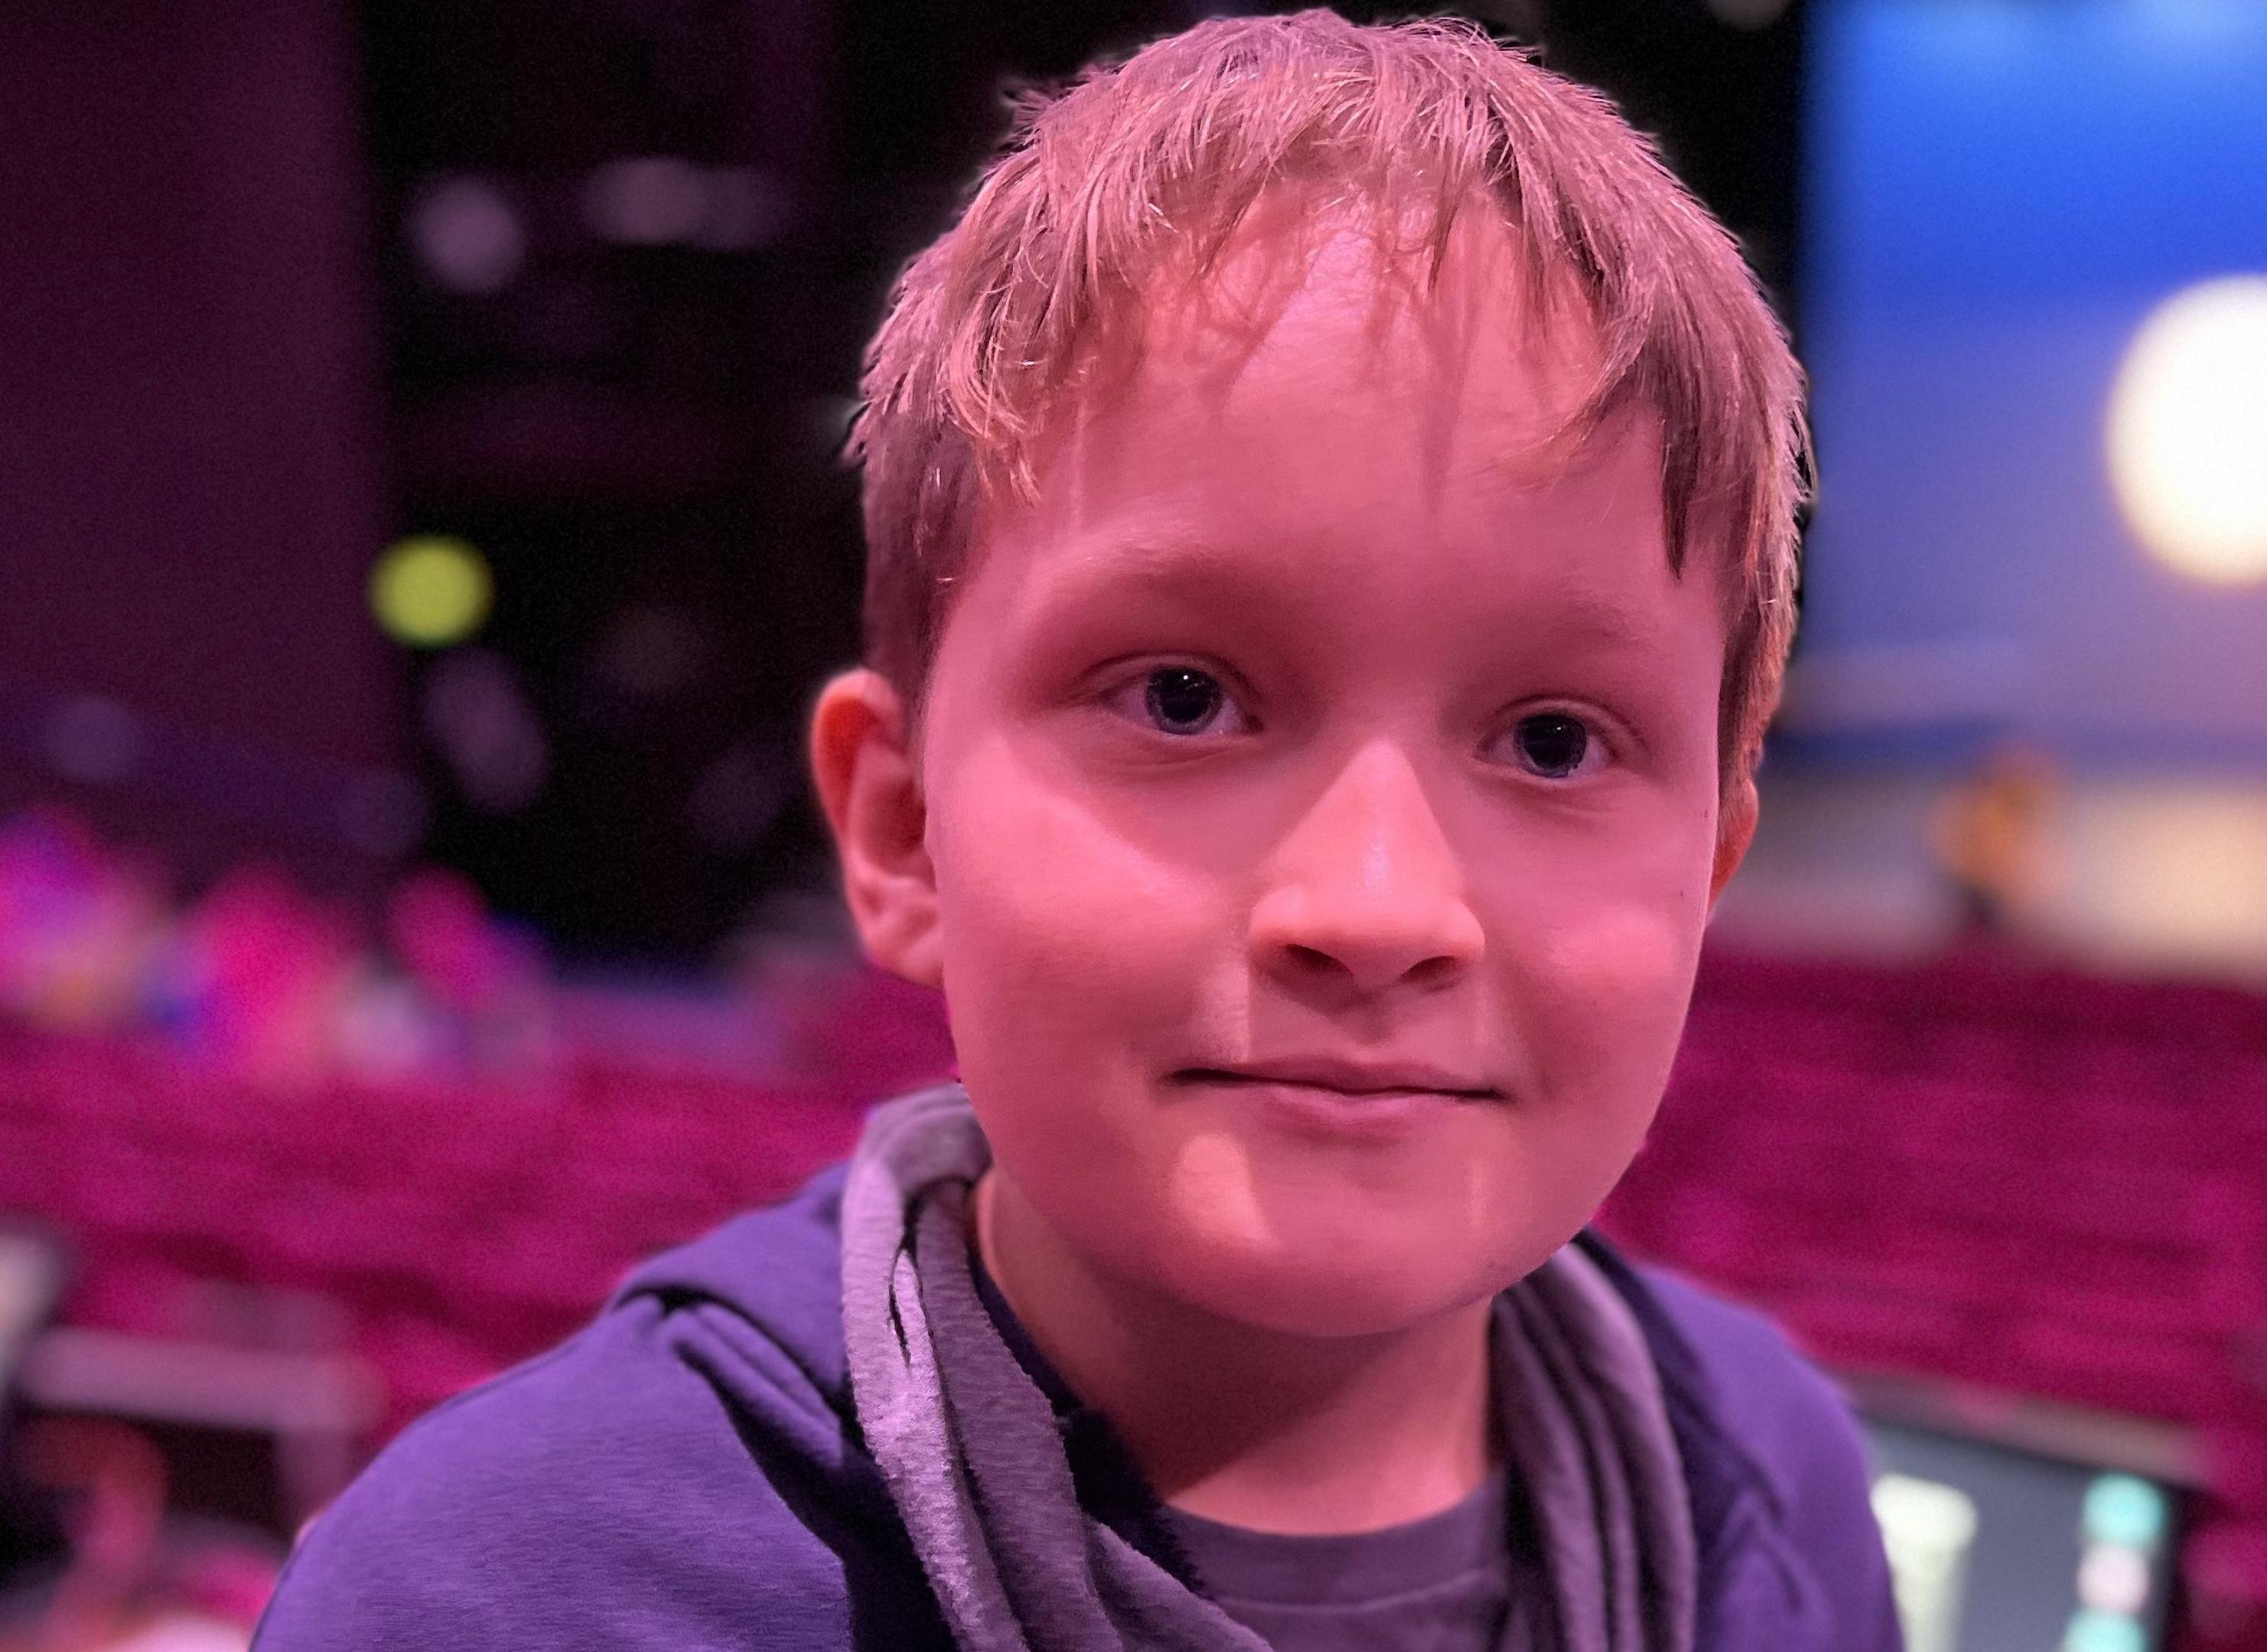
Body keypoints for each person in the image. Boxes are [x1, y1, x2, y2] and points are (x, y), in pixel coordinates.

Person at [254, 13, 1898, 1649]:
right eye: (1182, 697)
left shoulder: (1777, 1484)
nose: (1380, 905)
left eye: (1553, 740)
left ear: (1707, 876)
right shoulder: (499, 1599)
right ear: (902, 831)